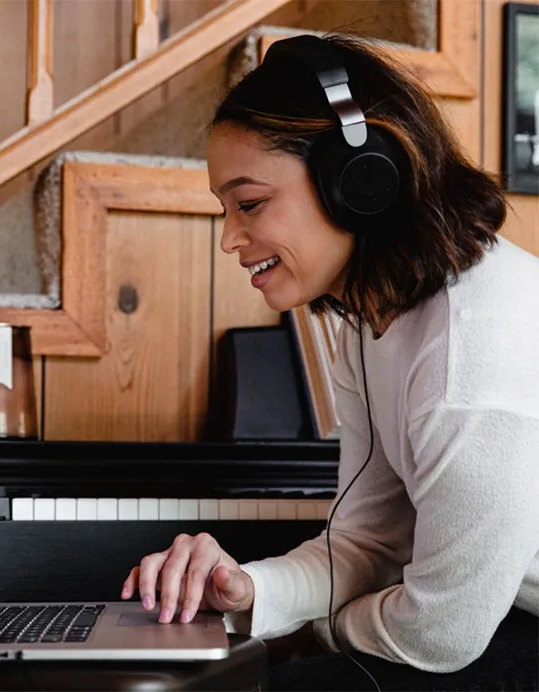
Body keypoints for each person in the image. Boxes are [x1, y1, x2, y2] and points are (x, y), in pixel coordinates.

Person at [121, 33, 539, 691]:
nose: (231, 238)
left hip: (485, 624)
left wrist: (314, 631)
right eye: (225, 210)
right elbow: (367, 545)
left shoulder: (471, 353)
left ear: (359, 182)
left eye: (250, 203)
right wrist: (247, 592)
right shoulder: (371, 322)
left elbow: (444, 632)